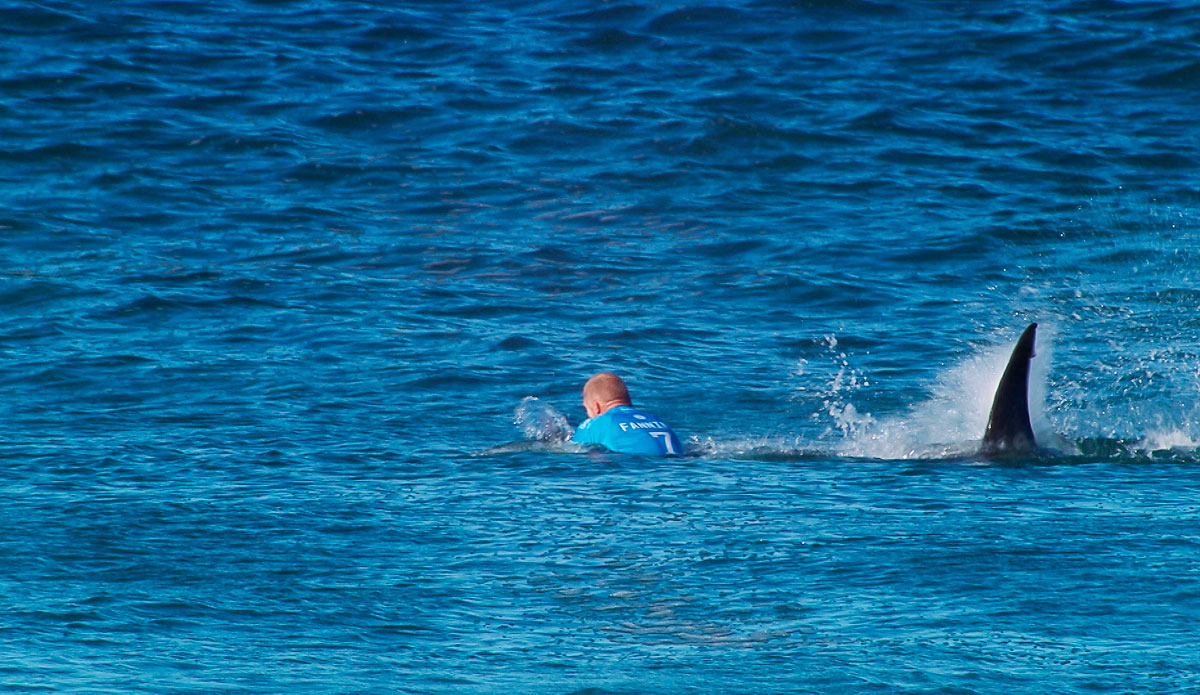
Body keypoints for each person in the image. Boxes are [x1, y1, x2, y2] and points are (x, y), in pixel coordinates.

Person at [571, 372, 684, 456]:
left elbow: (571, 449)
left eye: (586, 408)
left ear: (596, 407)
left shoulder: (598, 423)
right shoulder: (655, 420)